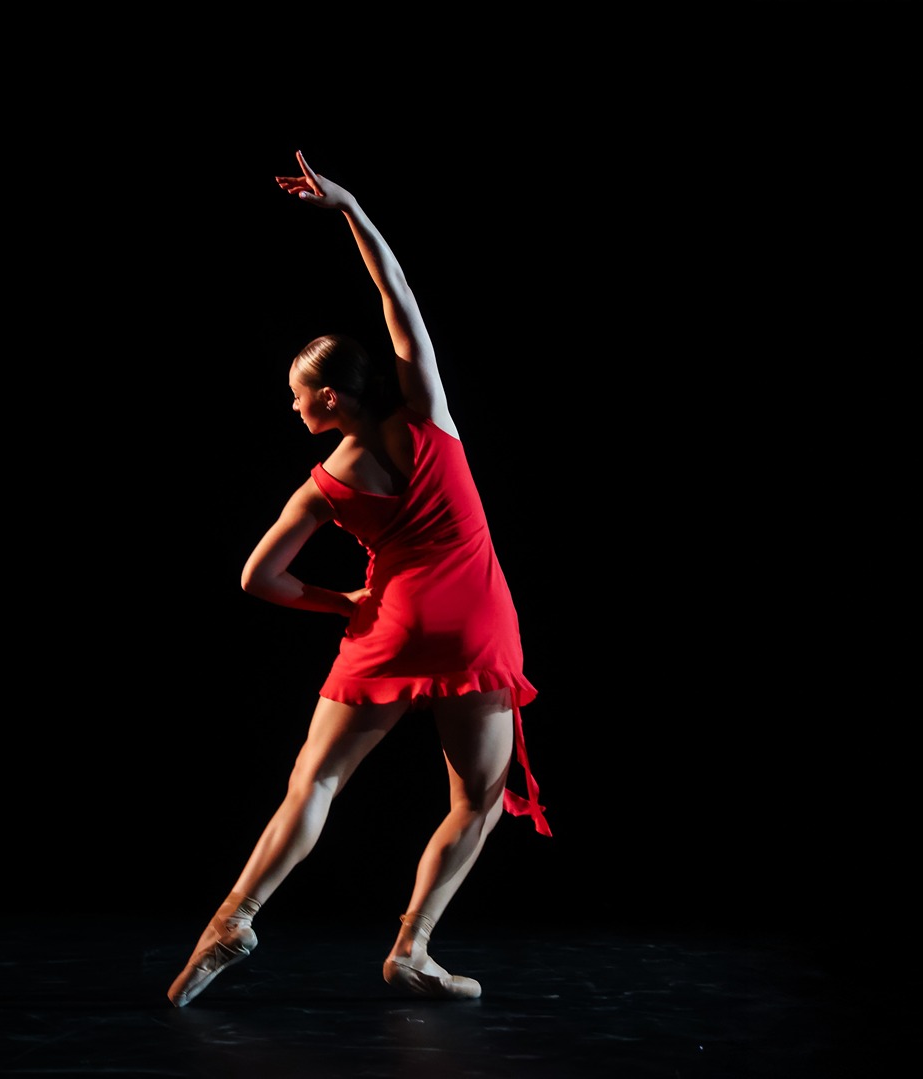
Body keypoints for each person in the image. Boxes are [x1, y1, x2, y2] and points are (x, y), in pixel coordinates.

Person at [165, 151, 550, 1008]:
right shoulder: (431, 420)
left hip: (390, 623)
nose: (294, 409)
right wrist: (349, 209)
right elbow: (399, 299)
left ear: (334, 396)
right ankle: (412, 947)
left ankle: (235, 916)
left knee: (316, 782)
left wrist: (342, 602)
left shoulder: (323, 484)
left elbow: (258, 577)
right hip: (477, 623)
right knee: (479, 801)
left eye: (300, 396)